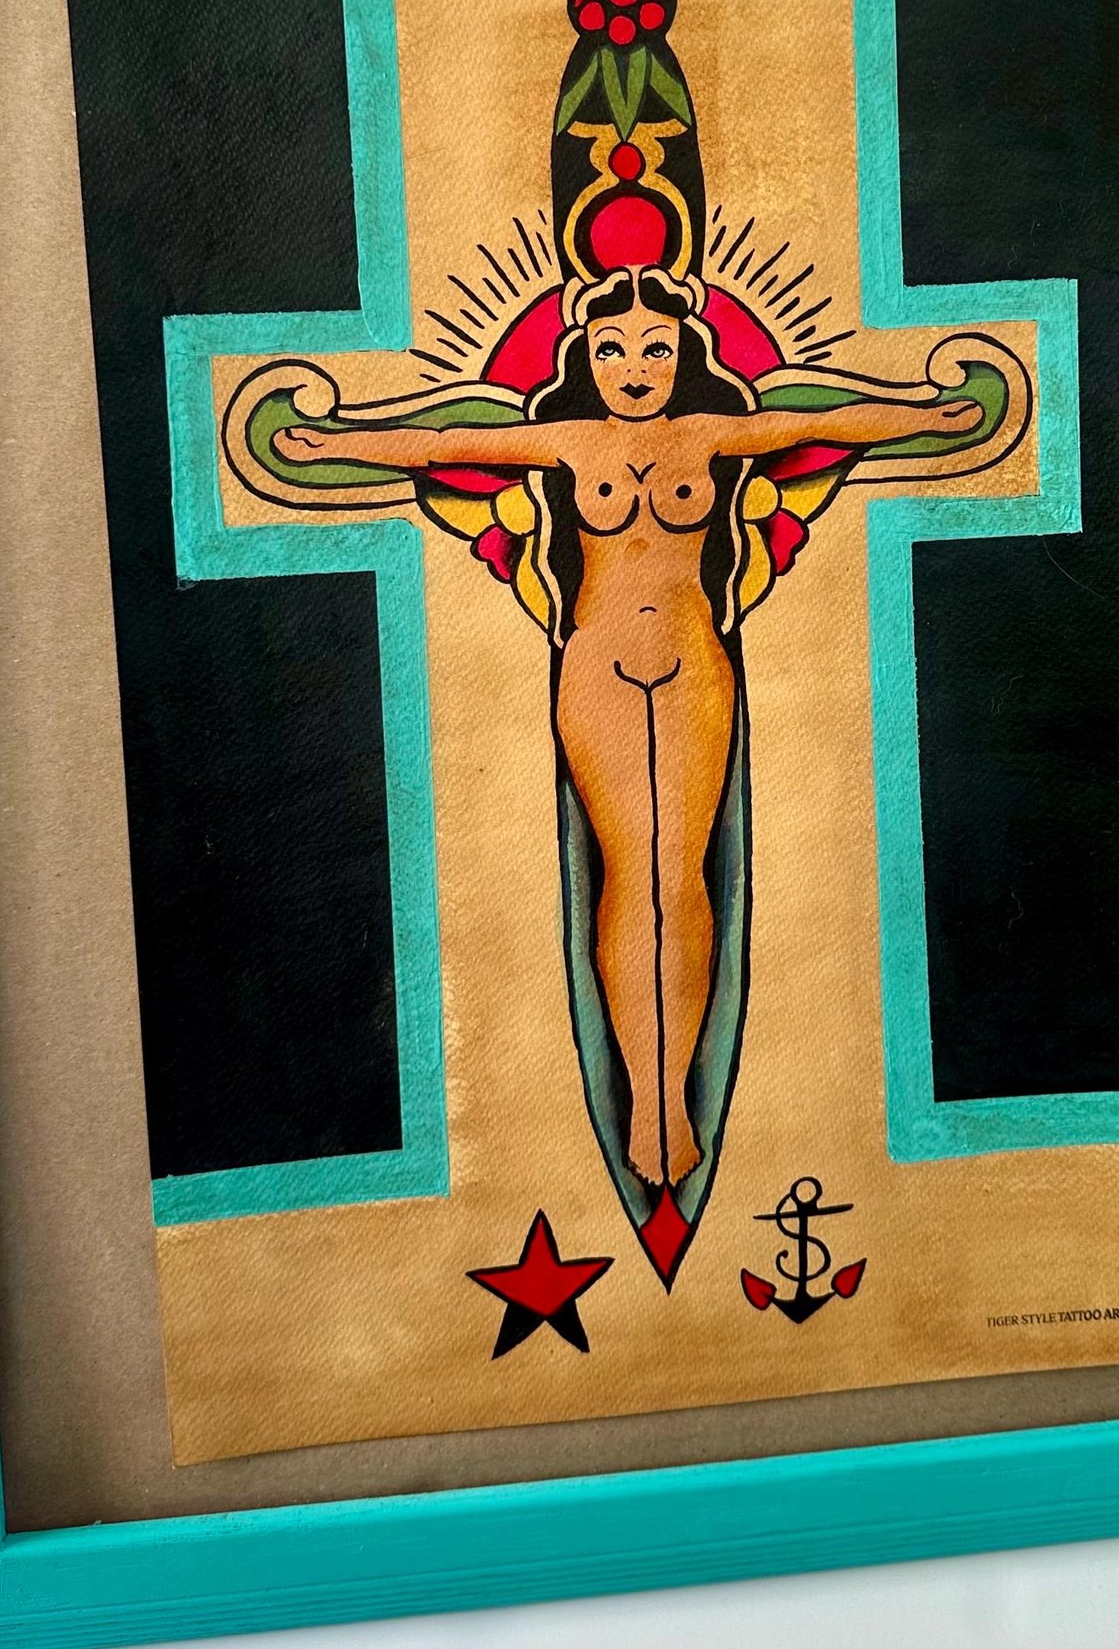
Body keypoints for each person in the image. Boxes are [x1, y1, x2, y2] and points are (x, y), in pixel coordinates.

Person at [272, 265, 982, 1191]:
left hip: (694, 663)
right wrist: (333, 441)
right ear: (588, 359)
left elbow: (821, 422)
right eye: (613, 349)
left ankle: (673, 1099)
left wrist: (927, 414)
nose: (636, 366)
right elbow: (443, 441)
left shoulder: (712, 434)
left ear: (683, 355)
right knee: (627, 873)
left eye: (656, 348)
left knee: (680, 874)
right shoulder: (568, 442)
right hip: (598, 666)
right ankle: (643, 1101)